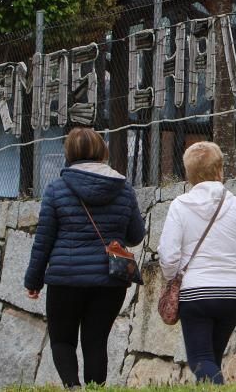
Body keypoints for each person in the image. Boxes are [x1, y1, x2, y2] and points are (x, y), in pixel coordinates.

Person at [24, 127, 145, 388]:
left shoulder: (56, 189)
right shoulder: (123, 189)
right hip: (109, 279)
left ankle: (72, 386)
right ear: (102, 151)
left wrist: (33, 281)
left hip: (65, 279)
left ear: (69, 153)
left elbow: (43, 240)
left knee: (62, 340)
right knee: (96, 341)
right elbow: (136, 235)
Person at [158, 141, 236, 384]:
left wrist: (171, 277)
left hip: (195, 294)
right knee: (211, 360)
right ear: (220, 170)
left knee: (200, 361)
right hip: (232, 295)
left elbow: (169, 257)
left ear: (189, 173)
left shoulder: (180, 206)